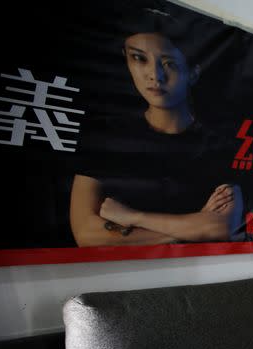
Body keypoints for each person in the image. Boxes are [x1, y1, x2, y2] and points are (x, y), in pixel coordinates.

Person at [69, 7, 243, 247]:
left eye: (169, 64)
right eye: (139, 58)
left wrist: (132, 217)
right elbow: (86, 234)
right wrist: (191, 228)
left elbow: (219, 227)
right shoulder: (105, 136)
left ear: (192, 73)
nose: (155, 75)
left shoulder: (219, 145)